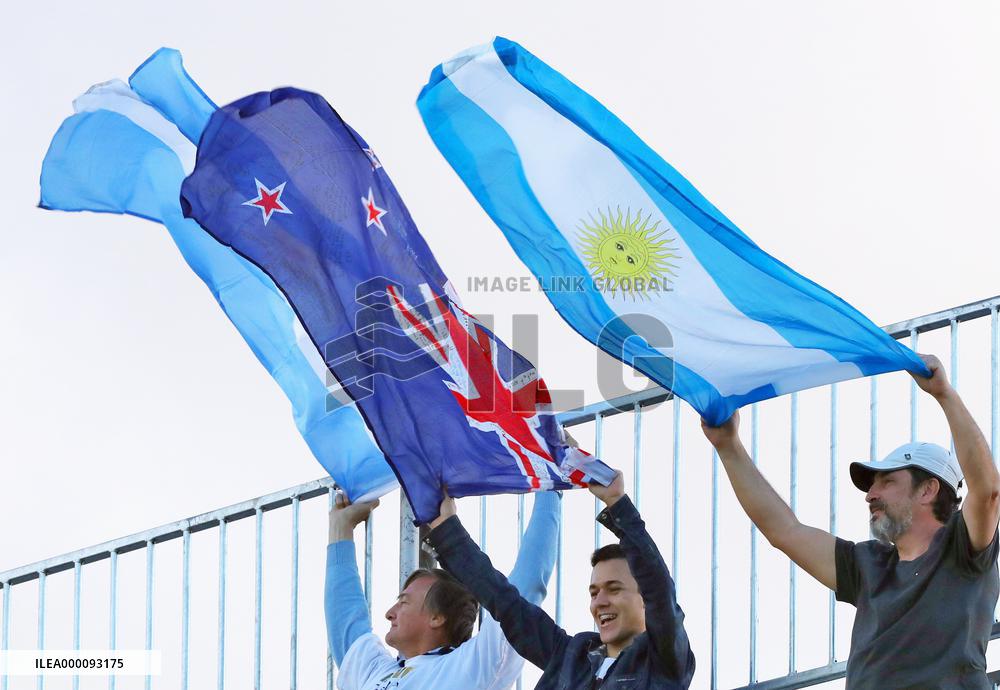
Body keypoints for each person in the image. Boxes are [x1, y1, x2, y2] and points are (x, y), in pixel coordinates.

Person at [702, 353, 1000, 688]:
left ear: (928, 490)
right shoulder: (868, 564)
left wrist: (944, 394)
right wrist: (728, 447)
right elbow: (784, 531)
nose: (871, 495)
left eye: (887, 482)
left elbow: (988, 491)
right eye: (871, 486)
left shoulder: (963, 546)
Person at [425, 470, 695, 689]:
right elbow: (504, 601)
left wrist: (617, 503)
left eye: (614, 589)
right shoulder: (570, 655)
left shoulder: (663, 659)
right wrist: (446, 529)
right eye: (593, 592)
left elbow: (659, 588)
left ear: (645, 601)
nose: (599, 602)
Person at [326, 490, 561, 690]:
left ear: (437, 618)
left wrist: (549, 490)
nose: (389, 612)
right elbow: (346, 620)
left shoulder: (471, 666)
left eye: (404, 602)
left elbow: (525, 586)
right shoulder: (376, 672)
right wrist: (340, 530)